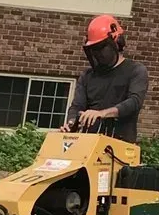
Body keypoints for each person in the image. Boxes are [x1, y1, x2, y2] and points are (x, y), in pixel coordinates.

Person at [60, 15, 148, 143]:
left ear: (117, 42)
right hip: (87, 145)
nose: (98, 54)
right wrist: (72, 123)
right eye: (94, 50)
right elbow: (77, 106)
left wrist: (102, 113)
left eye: (102, 48)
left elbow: (134, 102)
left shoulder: (136, 70)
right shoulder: (87, 76)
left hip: (120, 146)